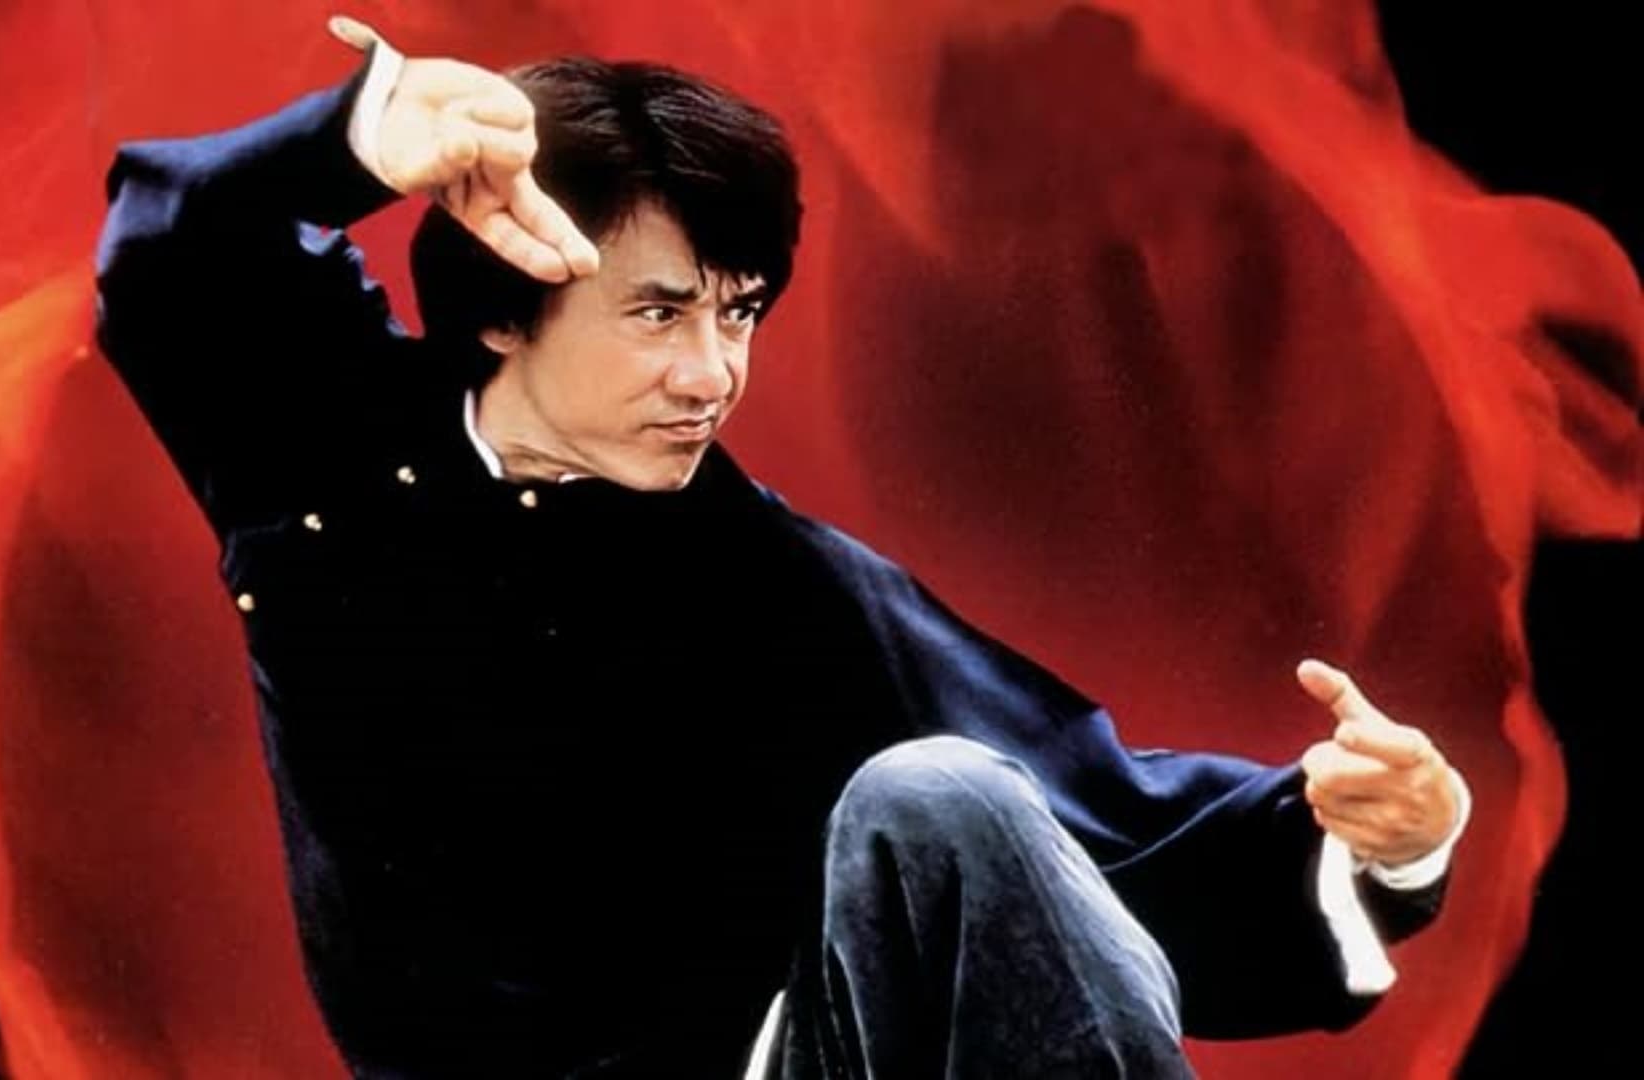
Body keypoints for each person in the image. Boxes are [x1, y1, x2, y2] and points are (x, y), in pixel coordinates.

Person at [93, 17, 1467, 1078]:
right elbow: (170, 250)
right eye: (659, 314)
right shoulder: (325, 442)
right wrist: (354, 137)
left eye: (739, 313)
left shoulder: (781, 589)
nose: (712, 375)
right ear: (505, 307)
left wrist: (1385, 846)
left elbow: (1109, 838)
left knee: (945, 799)